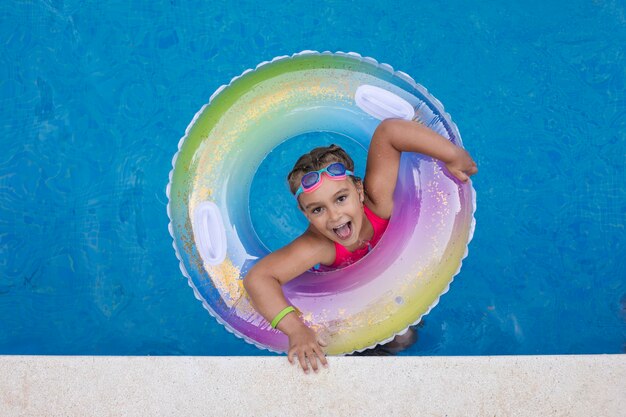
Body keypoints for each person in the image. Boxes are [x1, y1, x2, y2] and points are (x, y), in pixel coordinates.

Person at [242, 118, 478, 374]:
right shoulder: (318, 245)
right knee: (392, 343)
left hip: (396, 283)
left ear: (359, 190)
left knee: (408, 338)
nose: (334, 216)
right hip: (346, 305)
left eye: (341, 198)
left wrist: (453, 155)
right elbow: (259, 278)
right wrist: (296, 329)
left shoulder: (377, 202)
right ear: (305, 213)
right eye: (318, 209)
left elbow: (390, 131)